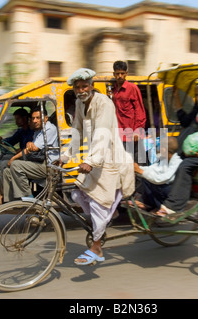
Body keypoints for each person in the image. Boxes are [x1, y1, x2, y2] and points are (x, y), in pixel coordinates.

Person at [60, 67, 135, 266]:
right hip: (95, 160)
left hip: (110, 160)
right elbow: (77, 131)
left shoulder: (104, 103)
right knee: (77, 195)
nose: (81, 90)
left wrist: (90, 161)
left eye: (85, 86)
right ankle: (109, 216)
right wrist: (65, 156)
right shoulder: (79, 103)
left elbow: (102, 133)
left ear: (92, 86)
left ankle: (96, 247)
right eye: (77, 87)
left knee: (98, 204)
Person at [156, 81, 198, 217]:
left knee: (183, 166)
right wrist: (176, 97)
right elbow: (184, 120)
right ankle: (156, 197)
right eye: (197, 95)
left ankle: (174, 205)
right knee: (165, 160)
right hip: (188, 151)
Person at [2, 105, 59, 202]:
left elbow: (33, 148)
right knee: (7, 171)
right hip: (39, 162)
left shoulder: (49, 129)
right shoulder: (38, 131)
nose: (35, 121)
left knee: (15, 165)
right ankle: (11, 202)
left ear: (45, 118)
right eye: (33, 118)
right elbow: (30, 146)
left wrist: (13, 159)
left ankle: (28, 199)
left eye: (38, 118)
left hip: (48, 165)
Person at [111, 60, 147, 165]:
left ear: (126, 74)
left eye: (122, 73)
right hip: (119, 134)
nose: (120, 76)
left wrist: (138, 130)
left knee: (137, 164)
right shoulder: (113, 90)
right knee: (124, 164)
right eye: (117, 74)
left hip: (132, 133)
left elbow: (139, 110)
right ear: (114, 74)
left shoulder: (132, 88)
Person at [133, 136, 182, 211]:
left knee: (151, 180)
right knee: (146, 178)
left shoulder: (177, 162)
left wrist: (141, 171)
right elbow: (152, 169)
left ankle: (159, 206)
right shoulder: (164, 159)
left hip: (169, 190)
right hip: (162, 187)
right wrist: (138, 168)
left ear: (164, 149)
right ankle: (148, 203)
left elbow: (162, 179)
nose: (158, 149)